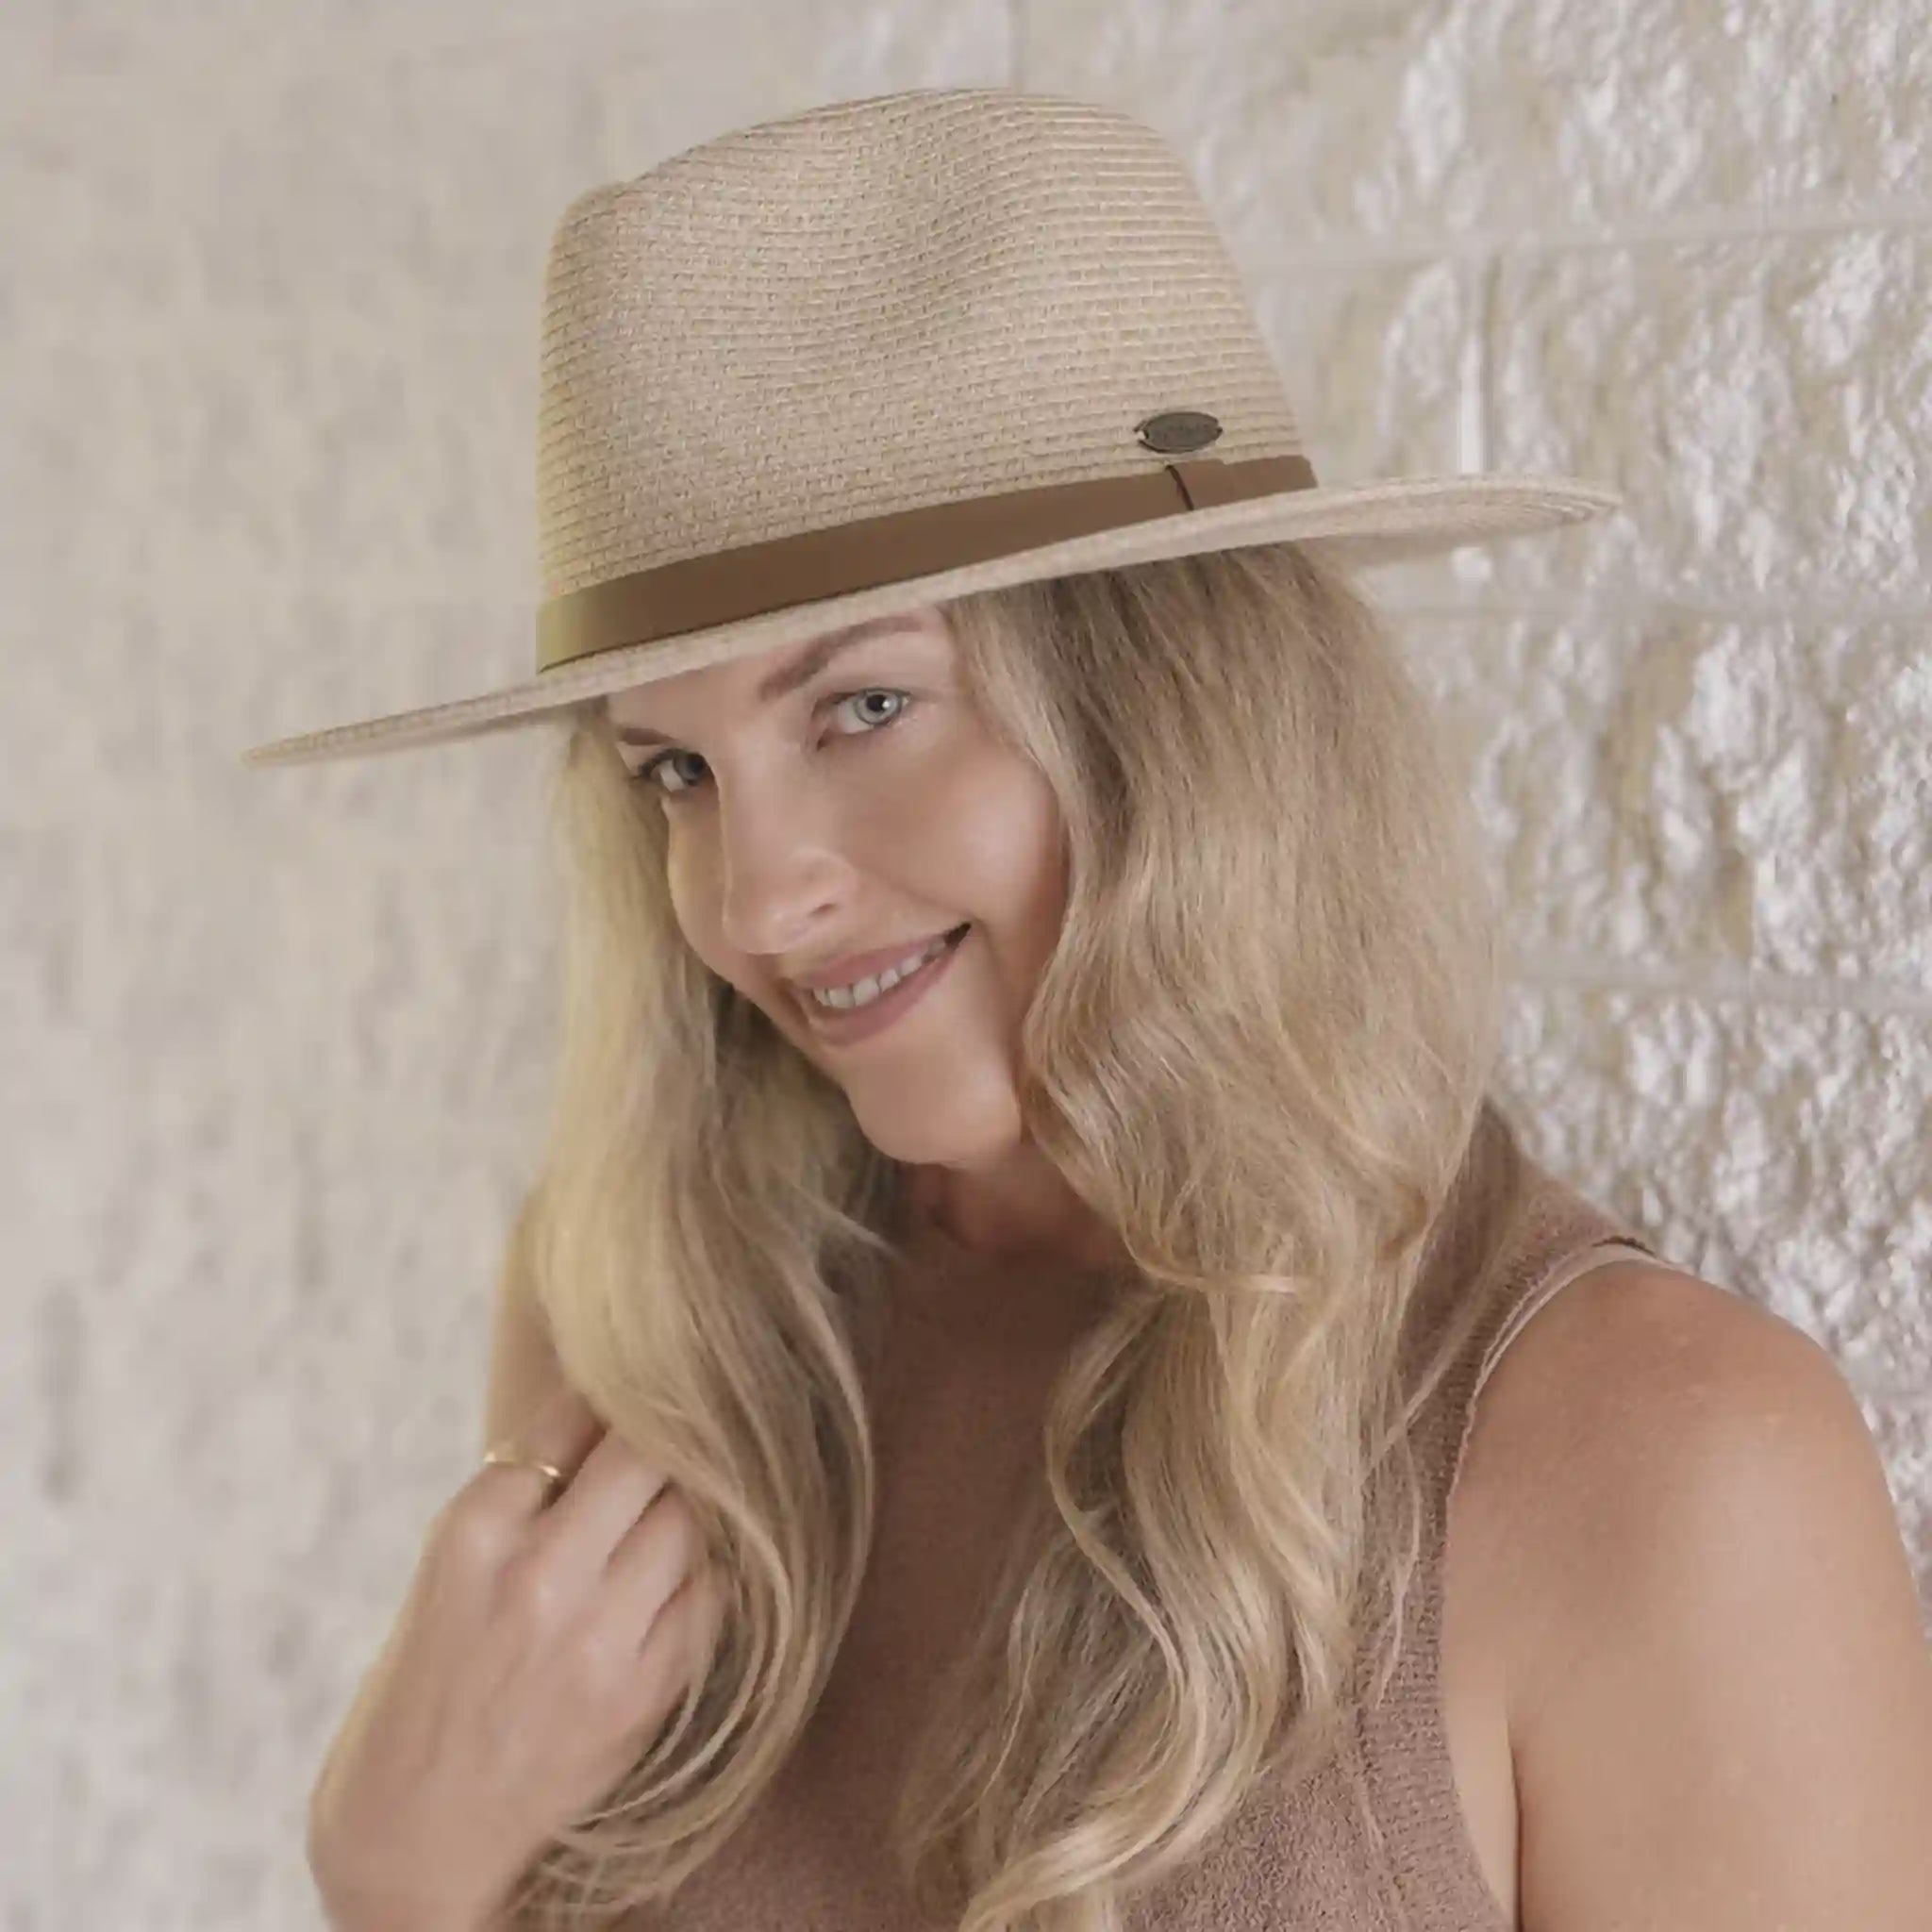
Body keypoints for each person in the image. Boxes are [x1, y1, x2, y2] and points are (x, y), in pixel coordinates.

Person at [254, 87, 1932, 1932]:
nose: (748, 895)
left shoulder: (1651, 1464)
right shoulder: (661, 1328)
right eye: (672, 770)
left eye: (862, 709)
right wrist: (393, 1877)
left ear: (1178, 712)